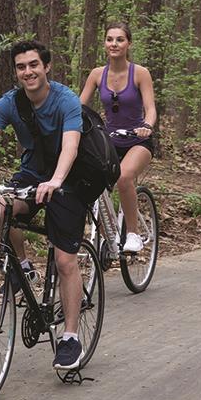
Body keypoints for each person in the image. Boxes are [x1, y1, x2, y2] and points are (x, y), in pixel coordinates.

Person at [0, 40, 101, 371]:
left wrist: (57, 181)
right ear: (16, 72)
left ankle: (70, 338)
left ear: (46, 67)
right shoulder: (10, 103)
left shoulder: (66, 100)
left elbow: (70, 147)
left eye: (34, 65)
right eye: (21, 67)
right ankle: (21, 267)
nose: (28, 72)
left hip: (69, 180)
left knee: (64, 260)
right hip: (32, 175)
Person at [79, 22, 157, 254]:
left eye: (120, 39)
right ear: (105, 43)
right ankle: (106, 237)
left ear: (128, 44)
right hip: (109, 140)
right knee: (89, 179)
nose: (114, 44)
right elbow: (78, 106)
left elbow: (151, 109)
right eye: (110, 39)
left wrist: (146, 126)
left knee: (124, 177)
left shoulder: (140, 73)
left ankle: (132, 233)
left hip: (137, 140)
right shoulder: (96, 74)